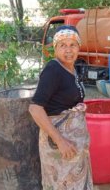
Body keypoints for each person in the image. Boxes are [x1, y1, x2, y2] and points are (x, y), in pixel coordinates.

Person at [28, 25, 93, 189]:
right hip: (59, 144)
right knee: (61, 184)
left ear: (79, 47)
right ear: (55, 48)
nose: (68, 50)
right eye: (62, 45)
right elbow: (35, 109)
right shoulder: (53, 70)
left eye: (72, 45)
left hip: (74, 143)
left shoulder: (71, 68)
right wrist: (60, 141)